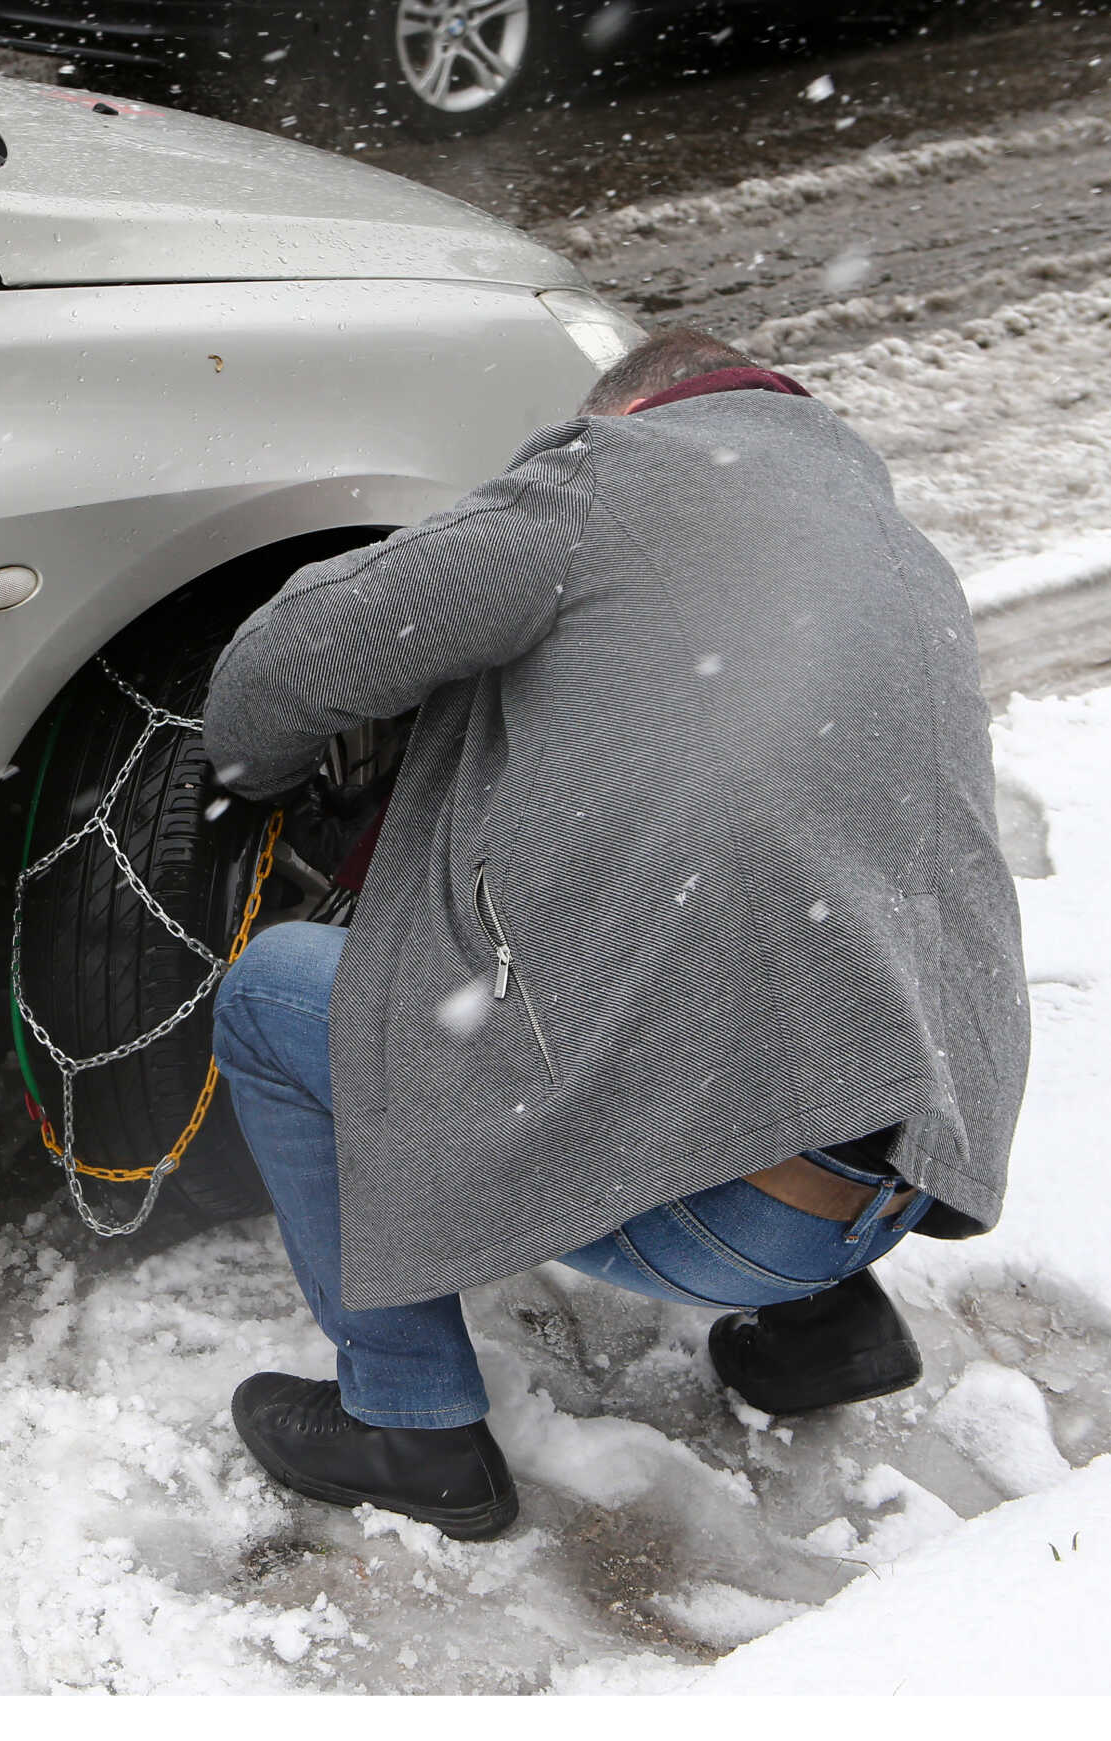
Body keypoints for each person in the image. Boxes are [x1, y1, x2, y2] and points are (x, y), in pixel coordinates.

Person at [200, 328, 1029, 1541]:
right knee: (792, 894)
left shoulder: (609, 477)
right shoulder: (895, 559)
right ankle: (823, 1326)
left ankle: (408, 1422)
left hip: (723, 1215)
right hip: (902, 1174)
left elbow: (295, 660)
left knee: (271, 997)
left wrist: (250, 770)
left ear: (631, 409)